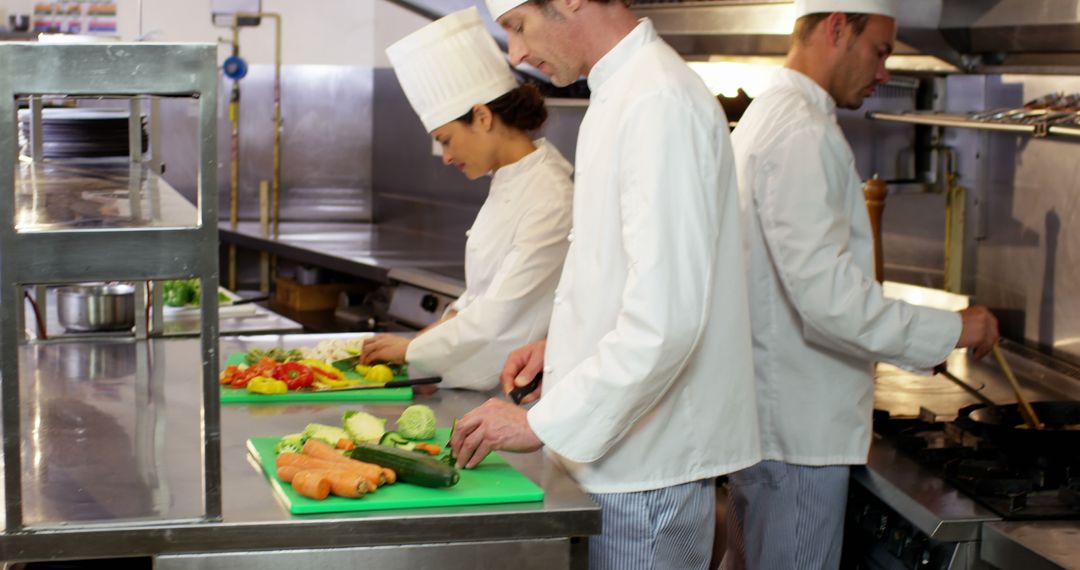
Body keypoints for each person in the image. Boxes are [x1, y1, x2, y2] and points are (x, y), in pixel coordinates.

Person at [450, 1, 760, 568]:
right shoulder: (621, 93)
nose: (517, 54)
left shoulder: (657, 101)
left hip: (645, 479)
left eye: (519, 26)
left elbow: (667, 321)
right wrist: (563, 351)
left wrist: (536, 421)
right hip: (618, 464)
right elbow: (631, 281)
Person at [722, 1, 1001, 568]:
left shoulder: (771, 116)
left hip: (771, 424)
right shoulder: (801, 133)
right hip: (798, 440)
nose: (883, 73)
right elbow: (830, 301)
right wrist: (953, 327)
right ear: (835, 29)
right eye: (881, 50)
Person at [361, 7, 574, 391]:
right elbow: (477, 298)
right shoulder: (511, 180)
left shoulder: (551, 195)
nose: (445, 157)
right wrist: (421, 351)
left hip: (519, 392)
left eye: (446, 140)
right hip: (487, 387)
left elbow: (502, 315)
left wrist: (414, 352)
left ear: (482, 117)